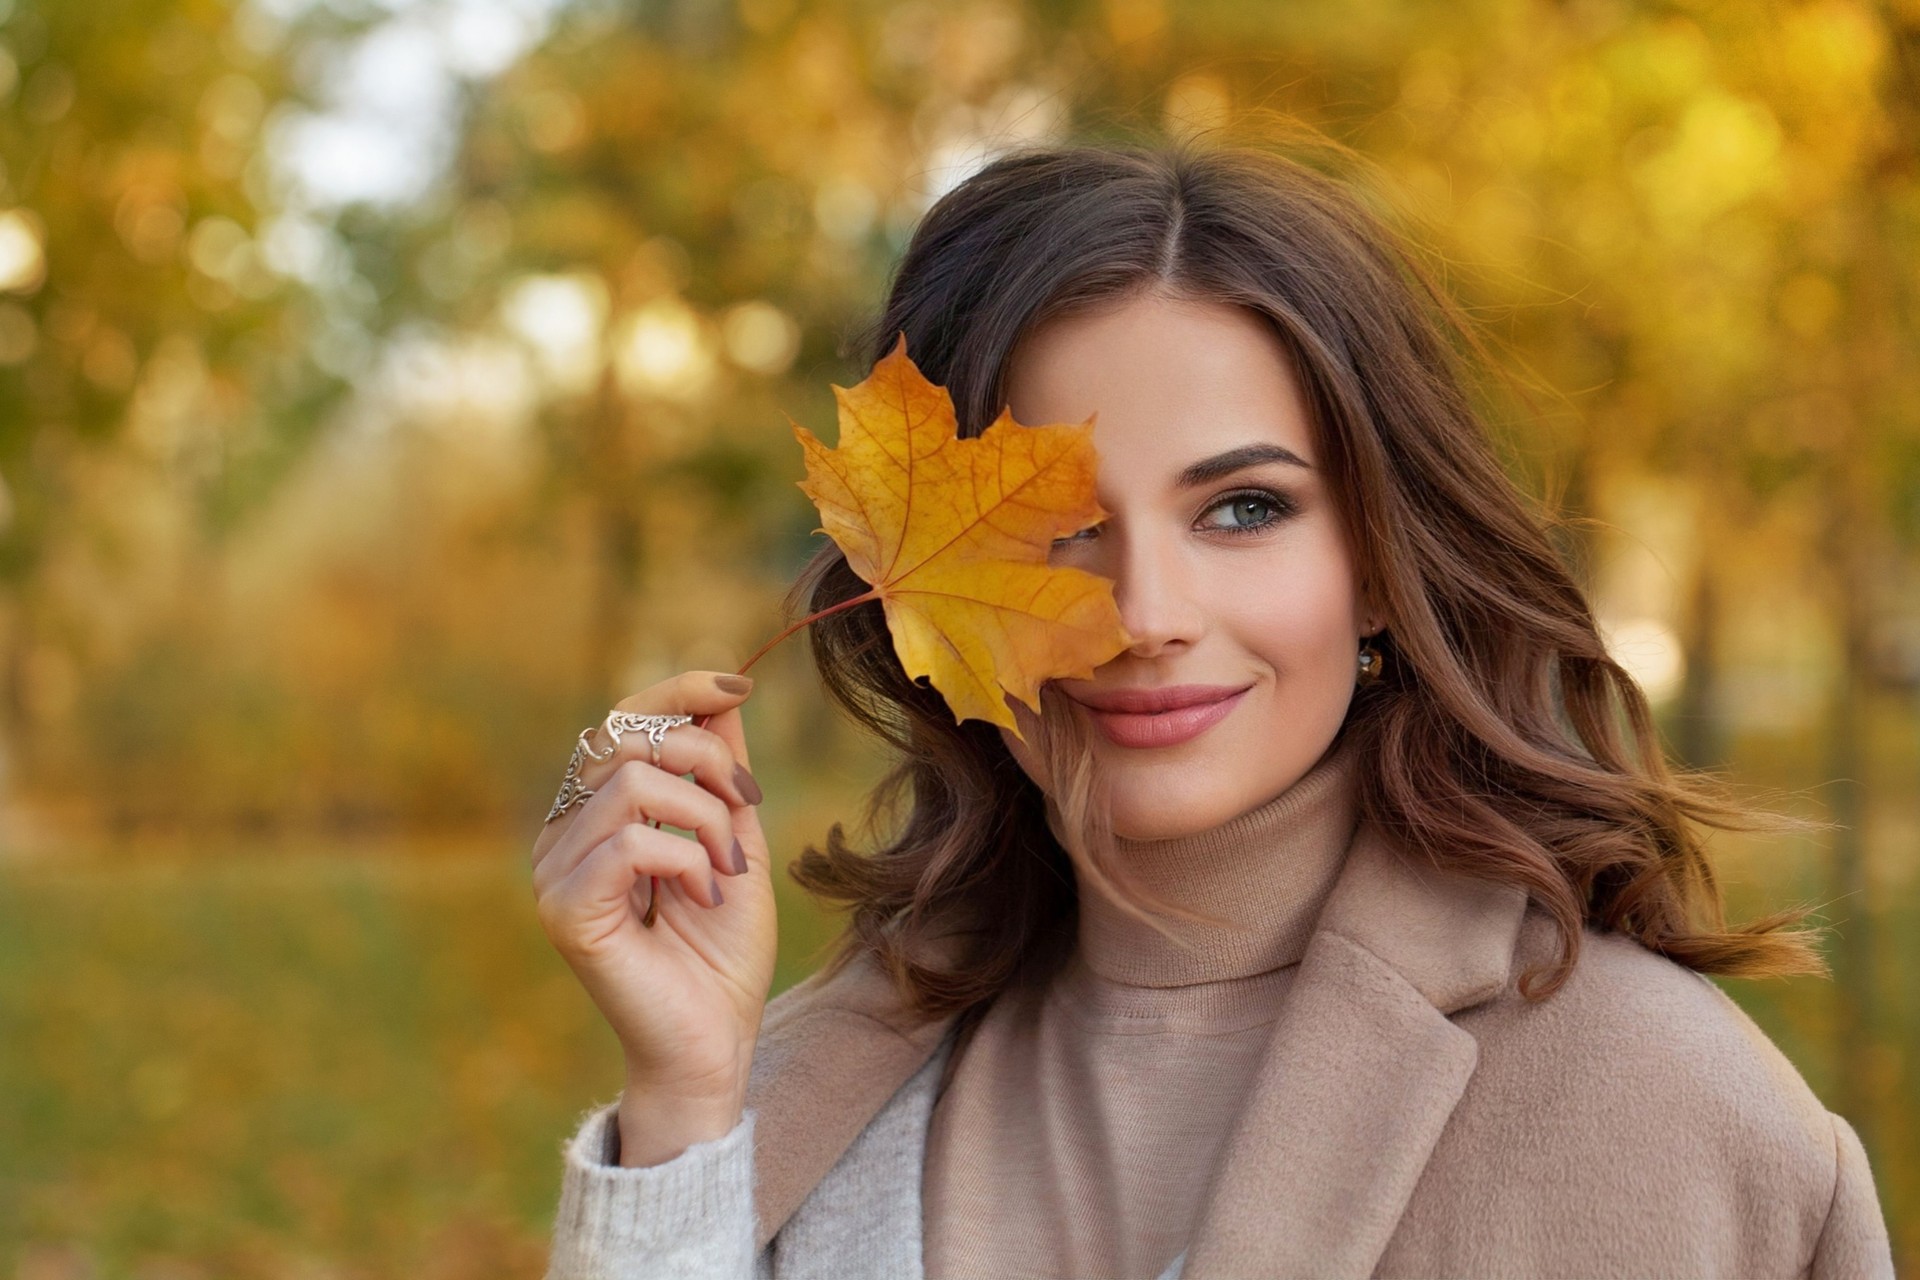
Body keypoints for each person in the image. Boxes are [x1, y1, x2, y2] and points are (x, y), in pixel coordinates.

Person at [531, 140, 1896, 1279]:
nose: (1145, 610)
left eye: (1245, 508)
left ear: (1375, 565)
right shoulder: (787, 1096)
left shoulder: (1671, 1118)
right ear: (909, 589)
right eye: (1060, 525)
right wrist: (683, 1121)